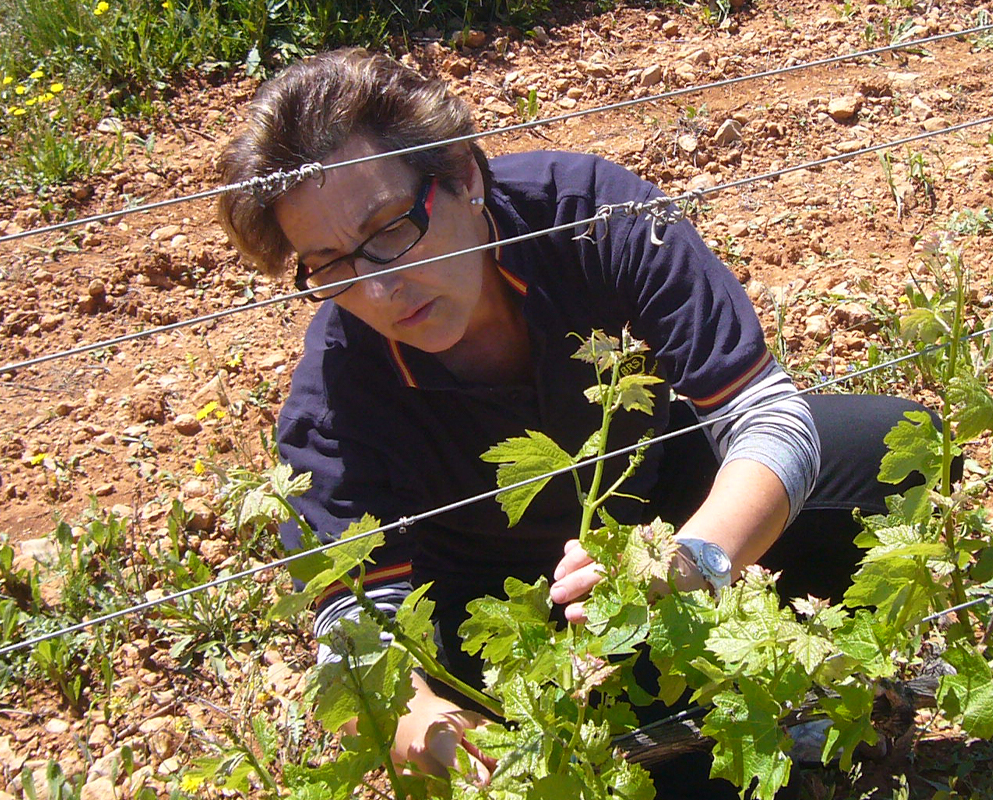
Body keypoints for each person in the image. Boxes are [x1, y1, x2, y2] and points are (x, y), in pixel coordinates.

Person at [217, 48, 937, 798]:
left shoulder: (595, 215)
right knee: (698, 783)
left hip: (655, 520)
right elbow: (353, 625)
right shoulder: (334, 397)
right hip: (493, 619)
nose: (381, 288)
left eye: (392, 228)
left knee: (901, 454)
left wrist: (695, 560)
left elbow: (768, 416)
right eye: (331, 263)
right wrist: (419, 722)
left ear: (463, 174)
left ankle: (818, 685)